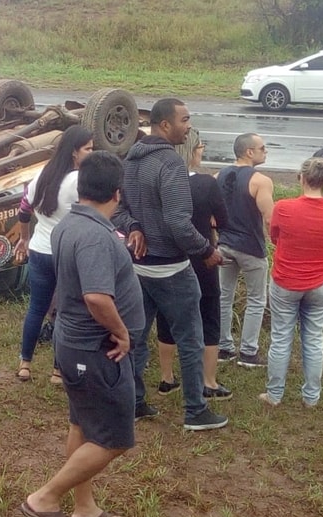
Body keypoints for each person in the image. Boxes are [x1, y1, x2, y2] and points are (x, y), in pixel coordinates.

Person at [21, 151, 143, 517]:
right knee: (116, 438)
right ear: (118, 194)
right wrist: (122, 332)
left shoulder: (68, 224)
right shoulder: (94, 236)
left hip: (74, 344)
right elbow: (96, 297)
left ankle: (84, 508)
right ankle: (44, 497)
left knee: (82, 425)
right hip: (96, 350)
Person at [112, 97, 227, 431]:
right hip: (172, 270)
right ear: (165, 125)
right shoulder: (172, 164)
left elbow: (117, 209)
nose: (188, 126)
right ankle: (195, 411)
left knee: (134, 338)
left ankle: (133, 403)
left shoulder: (129, 160)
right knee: (190, 340)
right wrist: (206, 250)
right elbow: (178, 222)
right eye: (185, 120)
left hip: (138, 268)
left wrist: (133, 228)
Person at [260, 157, 323, 407]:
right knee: (314, 338)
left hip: (286, 281)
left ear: (302, 178)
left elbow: (274, 236)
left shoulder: (284, 207)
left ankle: (274, 394)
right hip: (320, 282)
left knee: (281, 337)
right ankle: (311, 397)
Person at [14, 125, 94, 383]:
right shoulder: (78, 181)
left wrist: (24, 239)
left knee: (36, 308)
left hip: (38, 250)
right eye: (88, 149)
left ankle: (25, 363)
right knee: (66, 312)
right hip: (65, 252)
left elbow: (23, 210)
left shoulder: (42, 175)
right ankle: (58, 370)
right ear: (74, 153)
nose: (92, 154)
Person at [156, 131, 232, 401]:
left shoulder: (160, 180)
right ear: (191, 150)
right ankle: (208, 381)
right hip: (202, 259)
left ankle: (167, 377)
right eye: (200, 146)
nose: (202, 150)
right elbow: (223, 218)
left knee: (166, 316)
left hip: (166, 258)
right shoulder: (204, 184)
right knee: (209, 316)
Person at [217, 133, 274, 368]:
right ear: (249, 152)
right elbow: (270, 217)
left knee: (223, 296)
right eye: (262, 148)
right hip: (251, 247)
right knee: (256, 299)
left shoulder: (218, 176)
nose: (266, 151)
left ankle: (223, 347)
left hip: (224, 244)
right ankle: (248, 352)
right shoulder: (261, 181)